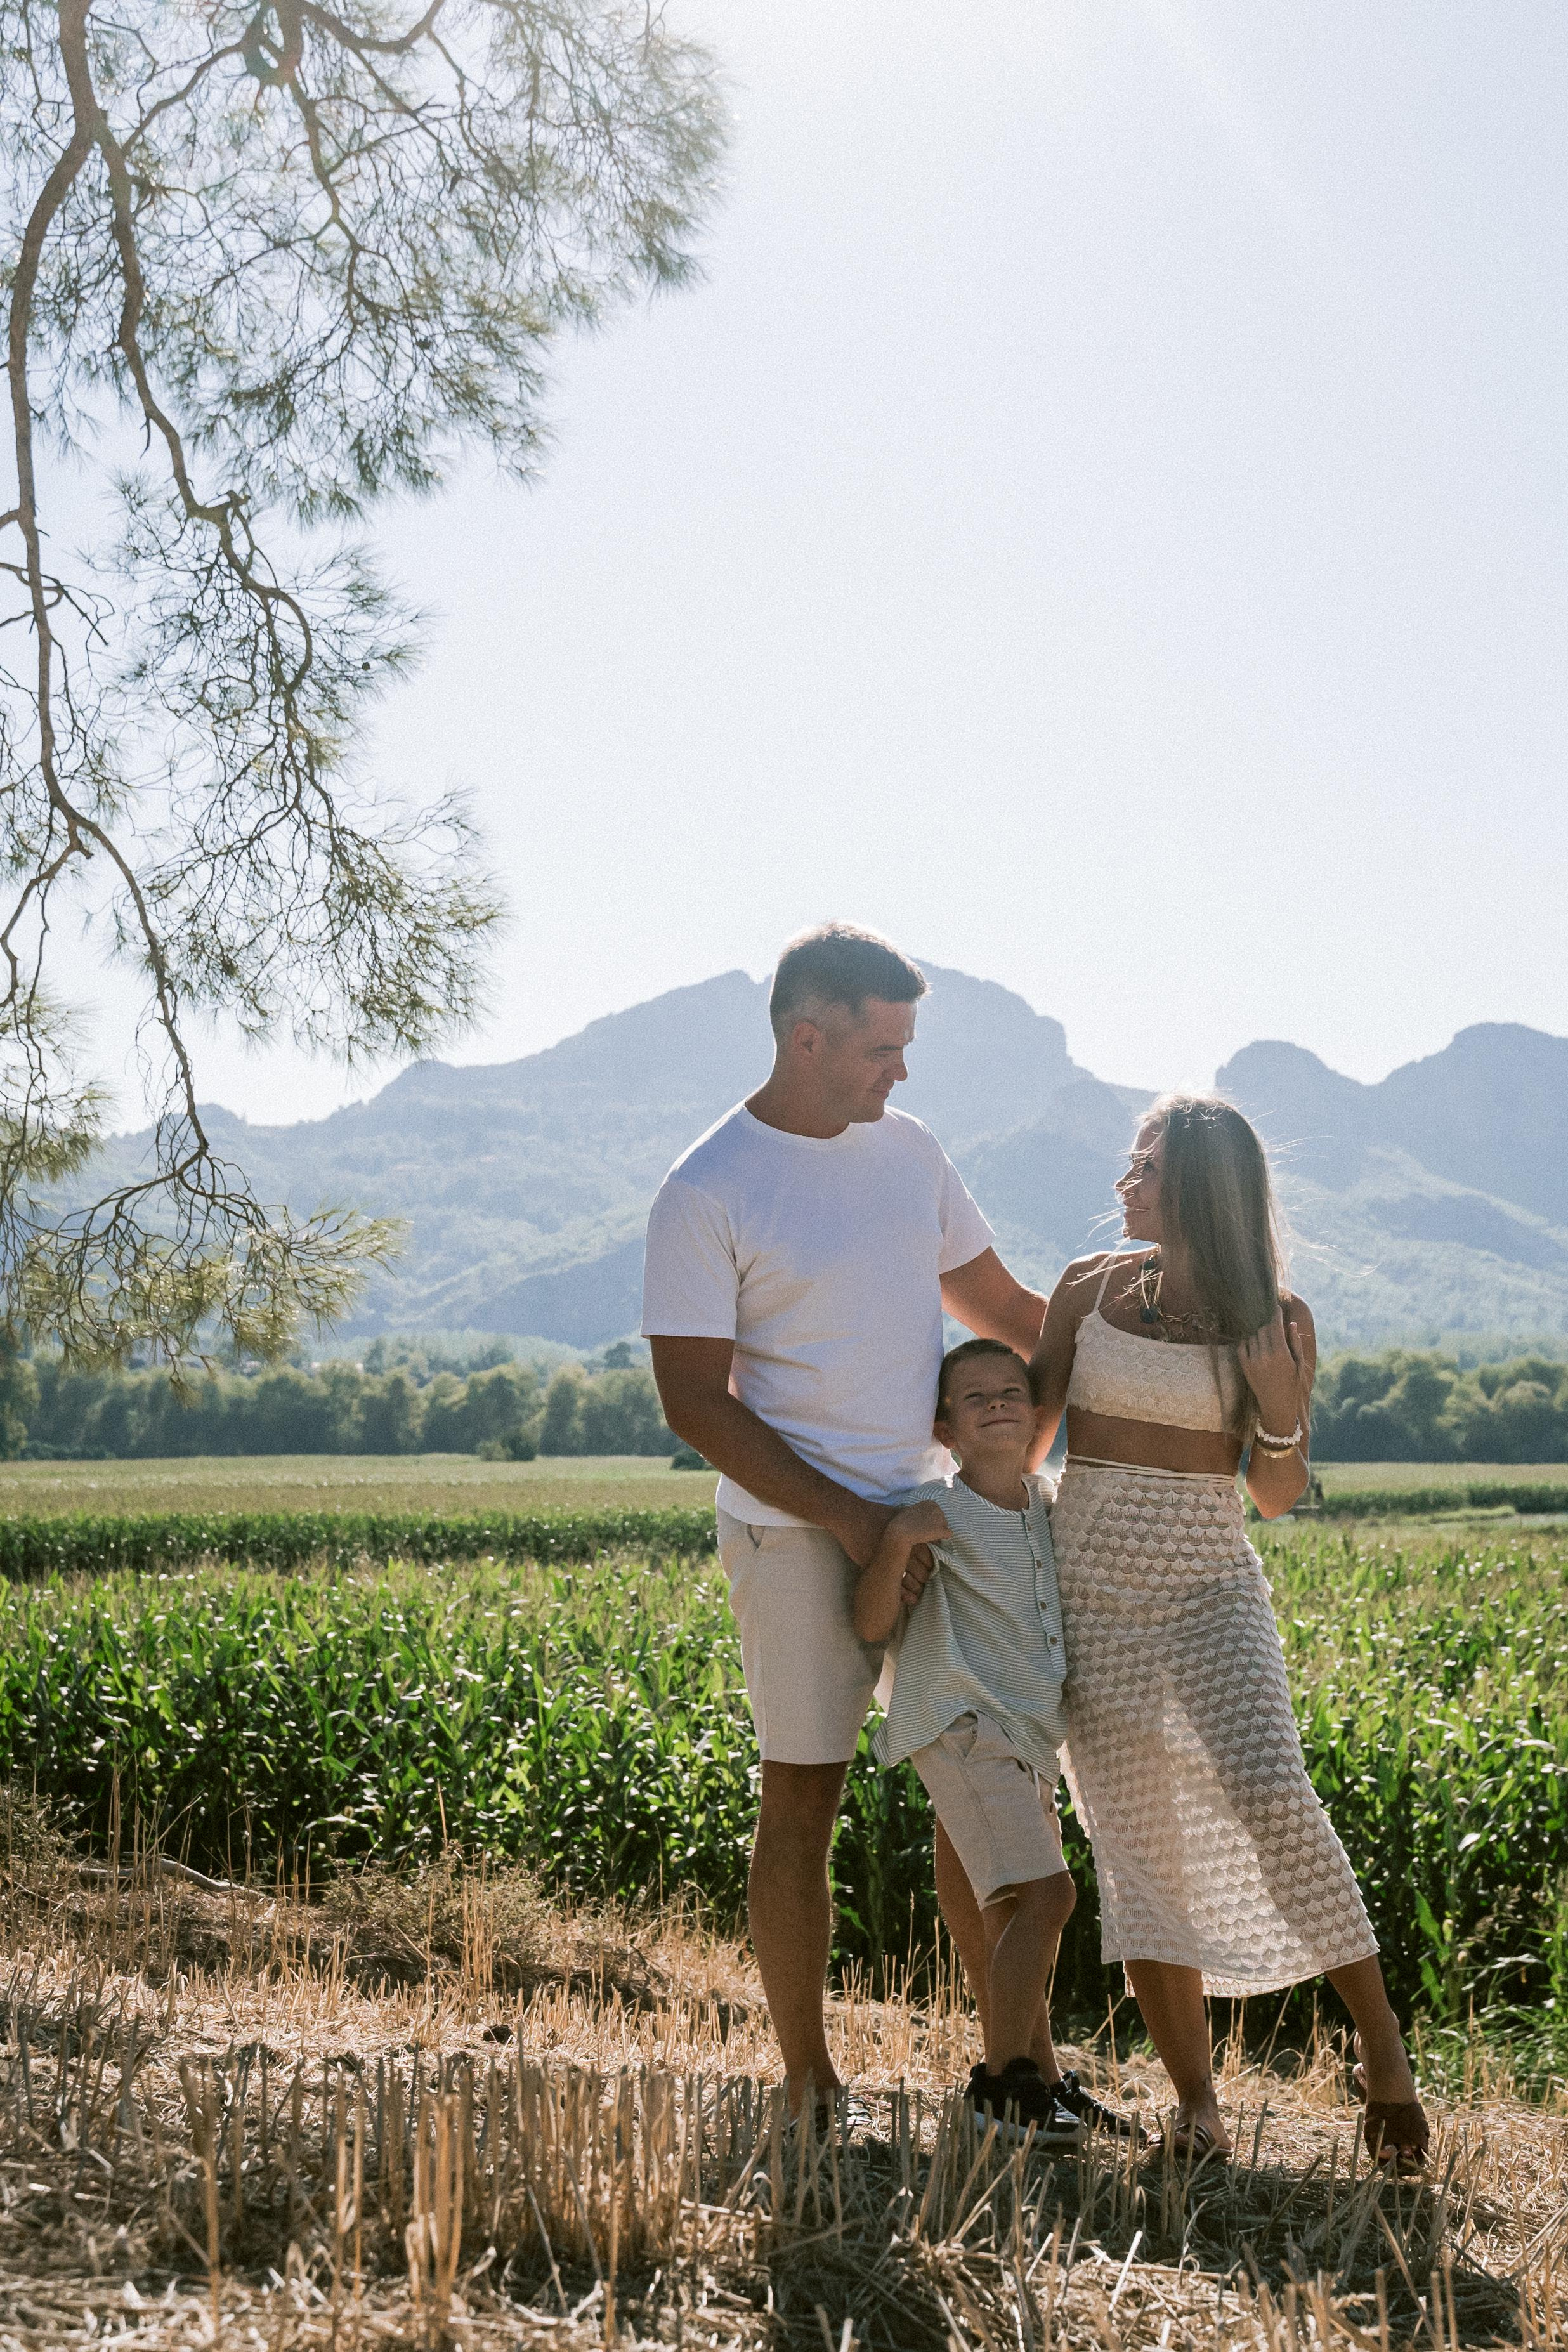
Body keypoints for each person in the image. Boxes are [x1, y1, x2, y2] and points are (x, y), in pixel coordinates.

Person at [642, 923, 1047, 2118]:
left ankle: (1020, 2075)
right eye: (883, 1048)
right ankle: (812, 2082)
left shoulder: (910, 1151)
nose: (901, 1071)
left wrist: (1150, 1345)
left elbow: (1009, 1312)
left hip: (931, 1524)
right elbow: (691, 1401)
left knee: (982, 1795)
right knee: (802, 1800)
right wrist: (853, 1521)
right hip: (791, 1535)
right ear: (807, 1038)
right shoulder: (706, 1187)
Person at [1030, 1094, 1430, 2171]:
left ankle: (1381, 2046)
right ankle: (1197, 2105)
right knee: (1137, 1851)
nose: (1125, 1182)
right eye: (1130, 1162)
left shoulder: (1277, 1318)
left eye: (1148, 1167)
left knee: (1271, 1791)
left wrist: (1280, 1403)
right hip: (1092, 1591)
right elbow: (1022, 1444)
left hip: (1211, 1586)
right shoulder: (1085, 1289)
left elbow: (1274, 1493)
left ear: (1203, 1189)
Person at [855, 1338, 1133, 2143]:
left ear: (1038, 1417)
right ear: (946, 1430)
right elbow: (870, 1624)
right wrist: (896, 1541)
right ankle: (1001, 2088)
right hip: (967, 1724)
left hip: (1029, 1737)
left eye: (1011, 1391)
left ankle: (1041, 2078)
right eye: (974, 1398)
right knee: (1050, 1897)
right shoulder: (935, 1512)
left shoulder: (1049, 1507)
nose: (998, 1403)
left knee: (1012, 1906)